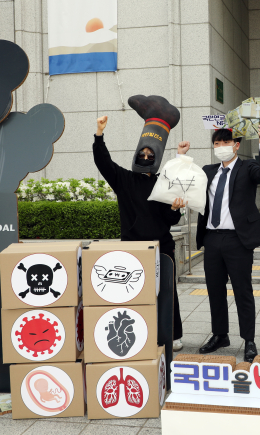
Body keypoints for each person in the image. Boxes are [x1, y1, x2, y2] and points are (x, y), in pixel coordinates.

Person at [93, 114, 186, 351]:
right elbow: (104, 162)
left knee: (167, 290)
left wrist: (175, 209)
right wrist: (99, 135)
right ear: (136, 156)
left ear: (156, 159)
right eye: (142, 154)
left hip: (163, 247)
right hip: (133, 248)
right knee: (134, 291)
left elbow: (170, 218)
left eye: (150, 155)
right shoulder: (123, 179)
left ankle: (173, 334)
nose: (145, 157)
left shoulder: (163, 183)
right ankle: (138, 332)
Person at [181, 126, 260, 363]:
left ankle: (249, 340)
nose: (221, 147)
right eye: (216, 144)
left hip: (237, 239)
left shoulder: (248, 167)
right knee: (214, 290)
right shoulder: (208, 171)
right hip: (212, 238)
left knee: (243, 290)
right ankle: (220, 335)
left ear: (236, 145)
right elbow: (184, 183)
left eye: (225, 142)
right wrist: (182, 158)